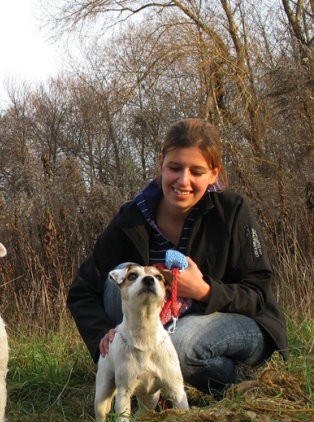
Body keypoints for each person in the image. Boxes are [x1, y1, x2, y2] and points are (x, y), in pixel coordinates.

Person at [67, 118, 288, 399]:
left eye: (197, 171)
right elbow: (82, 291)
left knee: (180, 346)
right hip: (157, 331)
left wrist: (205, 290)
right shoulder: (131, 217)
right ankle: (142, 380)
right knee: (123, 273)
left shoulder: (232, 211)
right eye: (175, 168)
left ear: (213, 173)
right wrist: (102, 335)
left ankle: (238, 380)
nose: (183, 181)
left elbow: (258, 292)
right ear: (161, 164)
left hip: (235, 322)